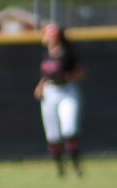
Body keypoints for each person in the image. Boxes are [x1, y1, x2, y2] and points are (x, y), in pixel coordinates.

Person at [34, 23, 86, 177]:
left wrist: (66, 77)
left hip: (67, 91)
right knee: (52, 135)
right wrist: (41, 85)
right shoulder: (46, 53)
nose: (46, 38)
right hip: (50, 93)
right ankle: (59, 169)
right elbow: (46, 75)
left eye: (49, 35)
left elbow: (80, 72)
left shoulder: (68, 53)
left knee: (69, 129)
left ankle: (76, 167)